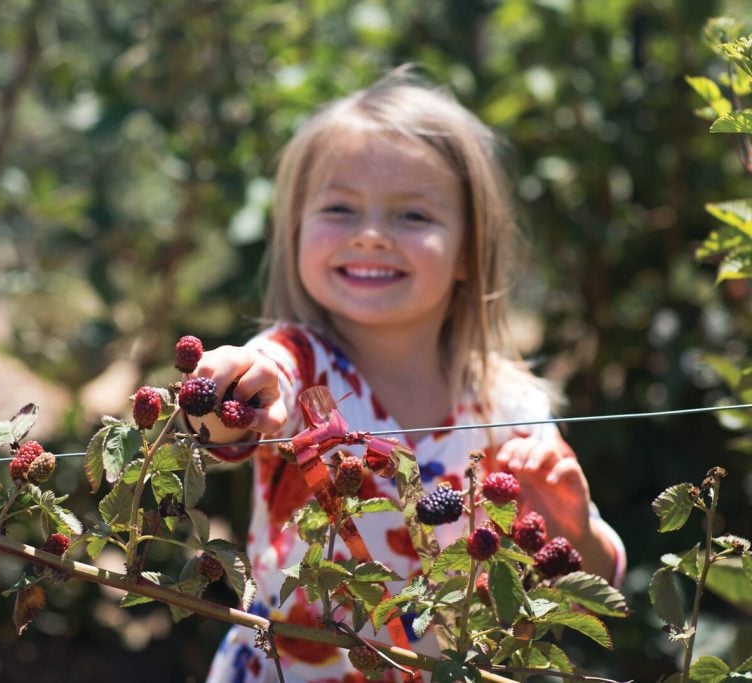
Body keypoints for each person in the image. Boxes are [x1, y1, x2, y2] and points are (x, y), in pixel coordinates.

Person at [188, 65, 626, 683]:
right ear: (294, 232)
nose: (370, 236)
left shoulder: (507, 404)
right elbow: (254, 400)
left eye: (413, 216)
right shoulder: (300, 362)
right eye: (339, 208)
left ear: (470, 251)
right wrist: (226, 393)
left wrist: (572, 528)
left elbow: (590, 583)